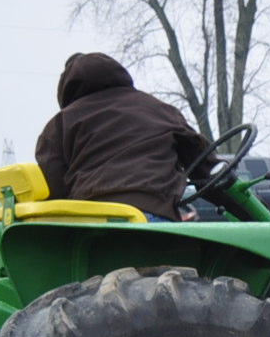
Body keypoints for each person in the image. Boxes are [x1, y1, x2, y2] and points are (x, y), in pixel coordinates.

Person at [33, 53, 212, 223]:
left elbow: (52, 191)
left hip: (90, 226)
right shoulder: (161, 110)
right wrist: (238, 209)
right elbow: (208, 171)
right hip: (154, 219)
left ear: (66, 90)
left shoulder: (60, 124)